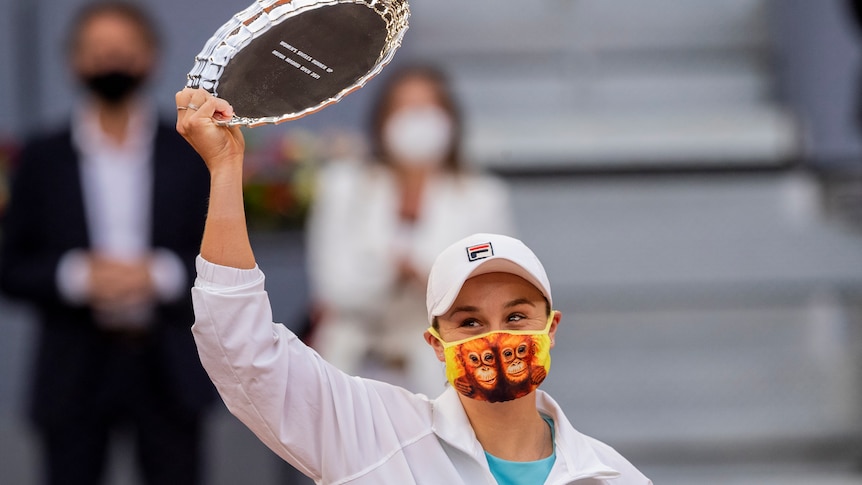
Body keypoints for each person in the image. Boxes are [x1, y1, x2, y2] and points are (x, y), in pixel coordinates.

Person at [175, 87, 652, 484]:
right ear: (436, 342)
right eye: (468, 321)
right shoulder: (373, 434)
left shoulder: (610, 477)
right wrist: (225, 168)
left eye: (516, 316)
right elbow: (241, 348)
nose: (495, 337)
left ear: (551, 329)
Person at [0, 3, 215, 484]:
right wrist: (78, 276)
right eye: (97, 51)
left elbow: (222, 256)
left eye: (123, 51)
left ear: (150, 58)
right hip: (73, 368)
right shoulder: (41, 158)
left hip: (168, 368)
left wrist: (158, 274)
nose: (111, 62)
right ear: (74, 60)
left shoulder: (190, 154)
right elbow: (12, 266)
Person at [305, 64, 514, 396]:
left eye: (428, 109)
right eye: (405, 109)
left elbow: (489, 298)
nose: (417, 120)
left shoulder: (482, 198)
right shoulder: (344, 187)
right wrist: (400, 273)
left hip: (439, 376)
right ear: (383, 119)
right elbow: (335, 288)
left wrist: (422, 275)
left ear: (450, 119)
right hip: (350, 369)